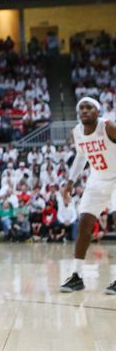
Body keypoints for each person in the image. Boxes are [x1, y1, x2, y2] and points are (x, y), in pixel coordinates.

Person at [60, 97, 116, 293]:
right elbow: (81, 157)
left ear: (98, 111)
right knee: (84, 222)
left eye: (89, 107)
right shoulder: (77, 132)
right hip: (97, 179)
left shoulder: (107, 127)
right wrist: (69, 183)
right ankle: (77, 276)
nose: (84, 110)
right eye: (81, 108)